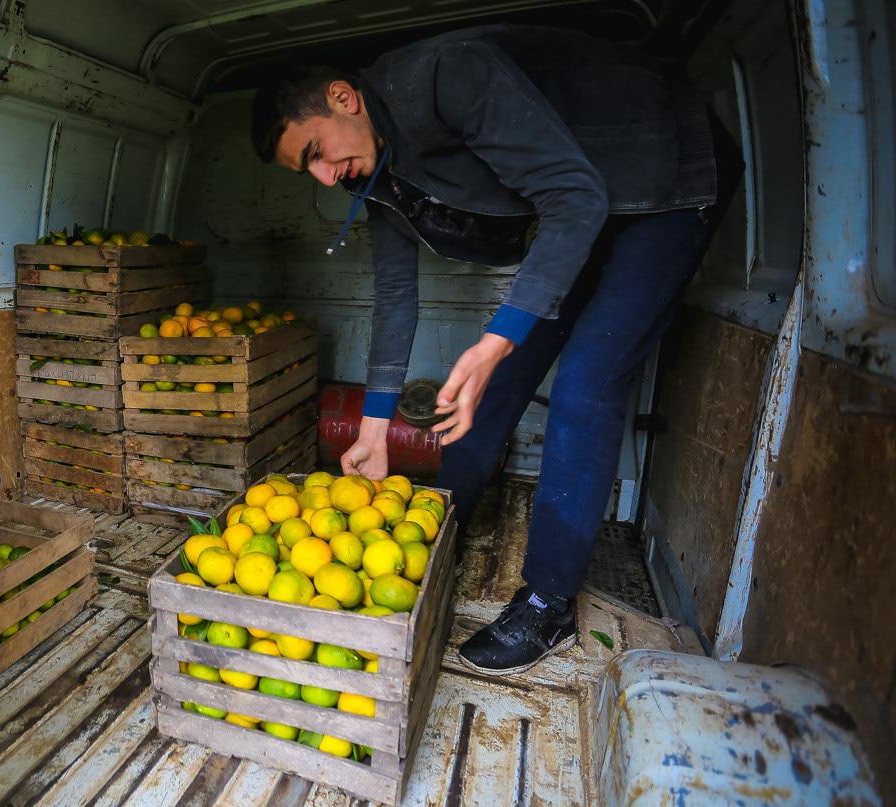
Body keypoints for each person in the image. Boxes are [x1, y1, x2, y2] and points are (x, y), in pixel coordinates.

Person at [250, 24, 740, 675]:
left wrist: (494, 341)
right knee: (503, 376)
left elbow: (573, 195)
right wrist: (373, 429)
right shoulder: (371, 171)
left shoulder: (448, 74)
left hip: (665, 171)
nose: (323, 175)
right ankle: (442, 519)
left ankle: (548, 604)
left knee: (587, 380)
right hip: (589, 204)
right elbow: (395, 293)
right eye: (306, 170)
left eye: (316, 152)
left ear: (343, 98)